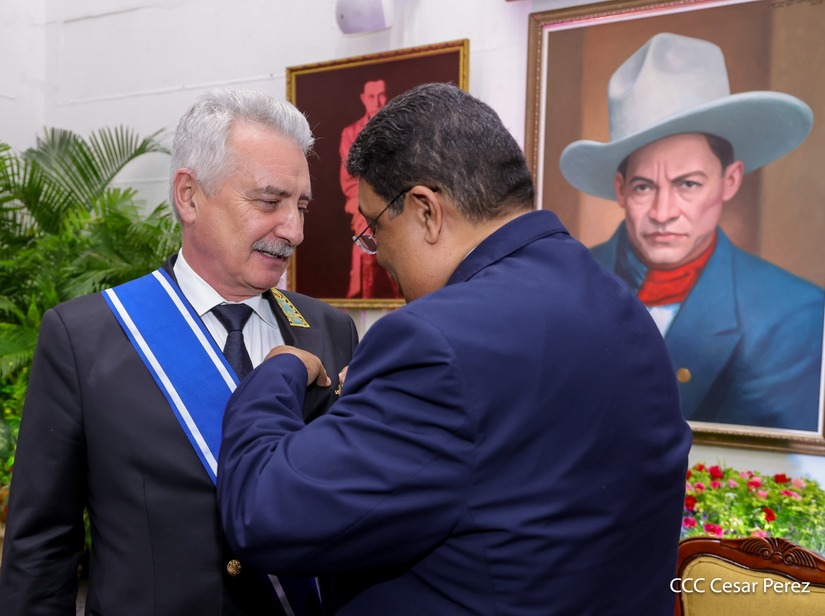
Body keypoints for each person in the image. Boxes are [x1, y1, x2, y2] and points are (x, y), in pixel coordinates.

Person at [217, 82, 692, 614]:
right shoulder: (618, 303)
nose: (378, 256)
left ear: (425, 211)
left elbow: (264, 516)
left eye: (374, 228)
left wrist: (276, 373)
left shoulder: (435, 341)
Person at [0, 89, 357, 615]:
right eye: (269, 201)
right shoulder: (85, 337)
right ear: (189, 196)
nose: (295, 230)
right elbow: (42, 546)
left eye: (301, 205)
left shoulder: (329, 329)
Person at [559, 32, 824, 431]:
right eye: (644, 187)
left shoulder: (795, 315)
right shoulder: (562, 285)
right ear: (620, 189)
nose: (663, 213)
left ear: (730, 181)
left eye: (688, 184)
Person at [338, 78, 400, 299]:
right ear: (364, 99)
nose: (377, 101)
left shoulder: (403, 131)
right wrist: (365, 212)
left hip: (399, 207)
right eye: (372, 96)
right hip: (363, 208)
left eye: (381, 95)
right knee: (365, 249)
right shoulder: (350, 133)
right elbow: (349, 182)